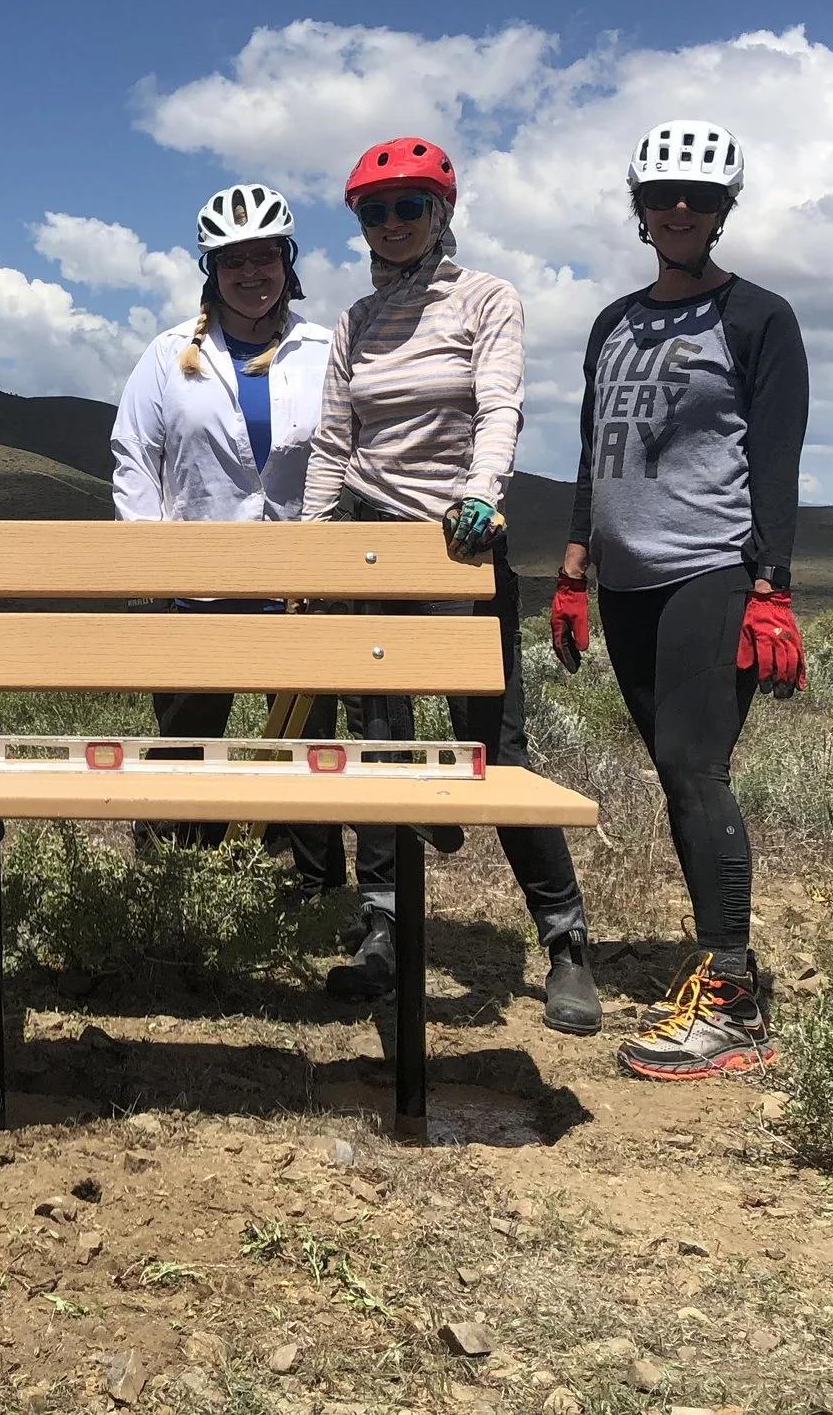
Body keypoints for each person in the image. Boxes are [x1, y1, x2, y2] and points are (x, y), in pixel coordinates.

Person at [301, 139, 599, 1034]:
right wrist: (316, 543)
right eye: (375, 211)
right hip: (371, 548)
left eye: (409, 207)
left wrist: (481, 491)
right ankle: (383, 926)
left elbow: (499, 402)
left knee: (494, 749)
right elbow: (332, 441)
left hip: (460, 546)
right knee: (378, 741)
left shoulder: (486, 299)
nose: (393, 224)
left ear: (442, 211)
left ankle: (564, 939)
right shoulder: (355, 321)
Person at [549, 118, 807, 1080]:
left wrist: (771, 586)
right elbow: (593, 445)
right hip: (629, 580)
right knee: (670, 767)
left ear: (724, 209)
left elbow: (776, 457)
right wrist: (575, 562)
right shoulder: (615, 321)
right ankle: (715, 968)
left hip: (712, 568)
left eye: (700, 197)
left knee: (695, 766)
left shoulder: (759, 317)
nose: (681, 211)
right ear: (640, 207)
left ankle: (733, 1002)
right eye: (663, 195)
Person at [108, 183, 336, 851]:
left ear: (287, 263)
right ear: (211, 269)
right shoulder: (167, 353)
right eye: (233, 260)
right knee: (187, 742)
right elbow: (133, 452)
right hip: (196, 585)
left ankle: (308, 883)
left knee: (302, 747)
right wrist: (147, 556)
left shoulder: (324, 348)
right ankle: (175, 879)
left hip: (294, 584)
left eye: (264, 257)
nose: (251, 274)